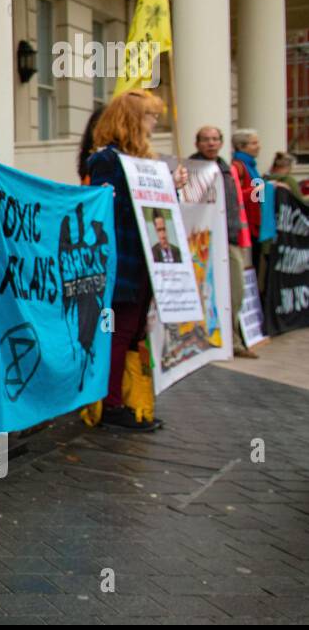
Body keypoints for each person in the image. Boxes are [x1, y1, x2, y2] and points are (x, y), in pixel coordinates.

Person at [86, 90, 186, 431]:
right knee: (120, 330)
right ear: (130, 119)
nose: (155, 123)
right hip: (122, 261)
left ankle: (129, 401)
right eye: (149, 116)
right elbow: (107, 211)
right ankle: (110, 405)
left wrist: (171, 189)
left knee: (134, 333)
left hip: (145, 263)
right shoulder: (107, 161)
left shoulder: (143, 162)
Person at [191, 126, 256, 357]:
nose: (211, 143)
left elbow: (240, 200)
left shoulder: (228, 169)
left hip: (230, 237)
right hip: (202, 240)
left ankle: (233, 338)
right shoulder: (191, 168)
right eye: (206, 139)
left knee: (236, 291)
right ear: (197, 143)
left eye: (215, 139)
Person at [231, 128, 270, 275]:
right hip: (245, 225)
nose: (258, 146)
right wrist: (259, 189)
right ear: (241, 146)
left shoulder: (251, 166)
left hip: (255, 223)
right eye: (253, 143)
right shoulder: (238, 167)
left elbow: (257, 197)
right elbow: (235, 195)